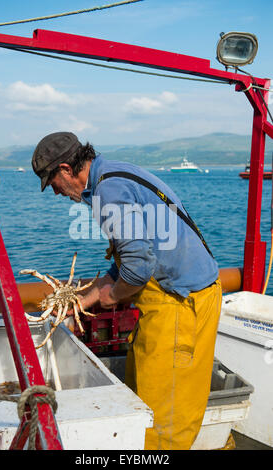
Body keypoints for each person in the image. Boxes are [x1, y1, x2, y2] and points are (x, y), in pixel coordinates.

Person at [32, 131, 222, 450]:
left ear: (65, 169)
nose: (55, 192)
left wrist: (112, 296)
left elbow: (138, 268)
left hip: (178, 307)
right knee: (142, 404)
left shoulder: (108, 190)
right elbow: (129, 260)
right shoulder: (112, 175)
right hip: (171, 303)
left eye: (52, 182)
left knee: (162, 423)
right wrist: (85, 298)